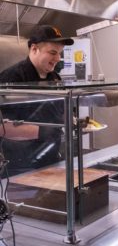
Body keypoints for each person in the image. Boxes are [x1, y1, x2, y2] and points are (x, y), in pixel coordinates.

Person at [0, 25, 74, 175]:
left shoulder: (54, 78)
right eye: (53, 52)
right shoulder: (11, 78)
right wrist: (42, 131)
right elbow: (2, 127)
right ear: (34, 49)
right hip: (19, 165)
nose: (57, 59)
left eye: (60, 53)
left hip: (50, 157)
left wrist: (72, 119)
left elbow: (60, 109)